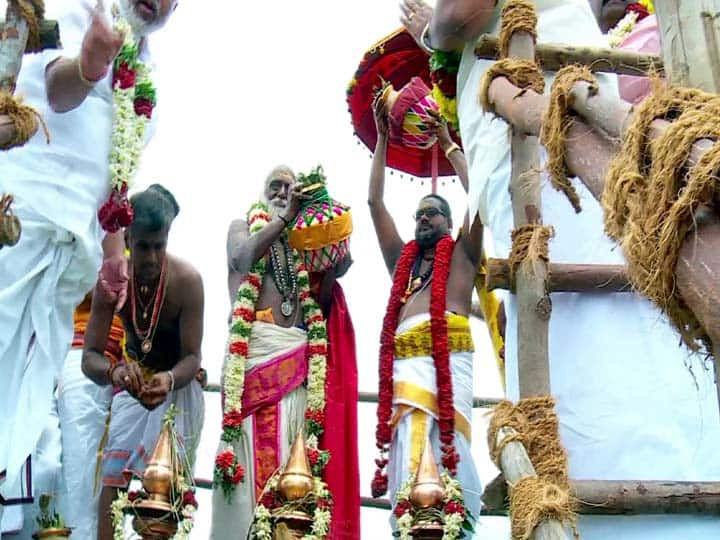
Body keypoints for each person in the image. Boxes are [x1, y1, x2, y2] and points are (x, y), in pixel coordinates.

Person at [401, 0, 720, 538]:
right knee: (609, 277)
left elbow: (459, 16)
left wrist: (431, 32)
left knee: (564, 291)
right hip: (562, 87)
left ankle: (614, 493)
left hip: (532, 96)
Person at [0, 0, 178, 524]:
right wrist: (89, 65)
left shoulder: (144, 68)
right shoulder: (85, 10)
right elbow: (54, 88)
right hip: (23, 224)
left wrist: (112, 252)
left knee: (25, 386)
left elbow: (114, 172)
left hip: (69, 253)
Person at [211, 166, 360, 540]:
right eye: (273, 187)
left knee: (291, 469)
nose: (281, 192)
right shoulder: (241, 227)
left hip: (295, 372)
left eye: (288, 187)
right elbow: (242, 259)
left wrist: (331, 272)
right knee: (243, 471)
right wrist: (285, 217)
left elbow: (318, 310)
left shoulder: (302, 245)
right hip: (252, 361)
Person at [367, 100, 483, 523]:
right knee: (407, 480)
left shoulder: (464, 257)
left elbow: (482, 194)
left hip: (448, 369)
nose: (421, 219)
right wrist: (381, 140)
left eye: (431, 212)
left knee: (449, 466)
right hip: (404, 380)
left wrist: (450, 146)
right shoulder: (403, 262)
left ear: (449, 222)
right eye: (417, 214)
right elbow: (374, 202)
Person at [82, 184, 204, 540]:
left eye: (159, 247)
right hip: (130, 389)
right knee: (112, 480)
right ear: (127, 238)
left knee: (167, 491)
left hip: (177, 390)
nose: (151, 258)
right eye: (142, 247)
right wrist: (116, 371)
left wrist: (167, 379)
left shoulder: (188, 282)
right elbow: (89, 358)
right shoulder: (113, 280)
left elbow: (193, 357)